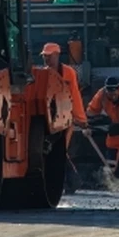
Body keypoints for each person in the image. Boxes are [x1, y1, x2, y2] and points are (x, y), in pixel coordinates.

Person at [40, 42, 88, 190]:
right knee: (56, 151)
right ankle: (70, 183)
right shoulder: (42, 73)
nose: (46, 59)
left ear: (57, 55)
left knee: (60, 150)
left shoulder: (68, 73)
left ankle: (71, 183)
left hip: (65, 118)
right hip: (50, 118)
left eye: (49, 56)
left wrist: (81, 118)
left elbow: (75, 94)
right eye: (44, 56)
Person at [86, 77, 119, 177]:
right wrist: (86, 125)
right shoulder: (100, 95)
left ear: (118, 89)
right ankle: (108, 178)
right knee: (112, 145)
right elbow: (91, 112)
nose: (113, 93)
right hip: (115, 123)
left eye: (115, 90)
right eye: (110, 91)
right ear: (106, 90)